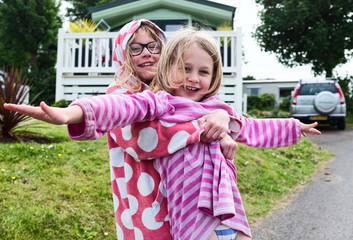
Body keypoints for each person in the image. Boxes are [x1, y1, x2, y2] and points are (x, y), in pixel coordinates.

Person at [4, 27, 321, 240]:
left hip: (220, 205)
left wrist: (294, 127)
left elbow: (253, 127)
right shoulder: (150, 100)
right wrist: (68, 114)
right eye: (136, 46)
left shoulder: (213, 106)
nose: (193, 78)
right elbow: (115, 110)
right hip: (153, 209)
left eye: (154, 45)